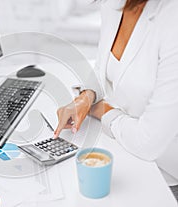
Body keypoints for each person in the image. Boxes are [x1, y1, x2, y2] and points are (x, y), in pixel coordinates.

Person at [54, 0, 178, 200]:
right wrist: (86, 97)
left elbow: (149, 143)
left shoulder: (172, 19)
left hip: (168, 176)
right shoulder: (114, 4)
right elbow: (105, 67)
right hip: (132, 154)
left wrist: (104, 111)